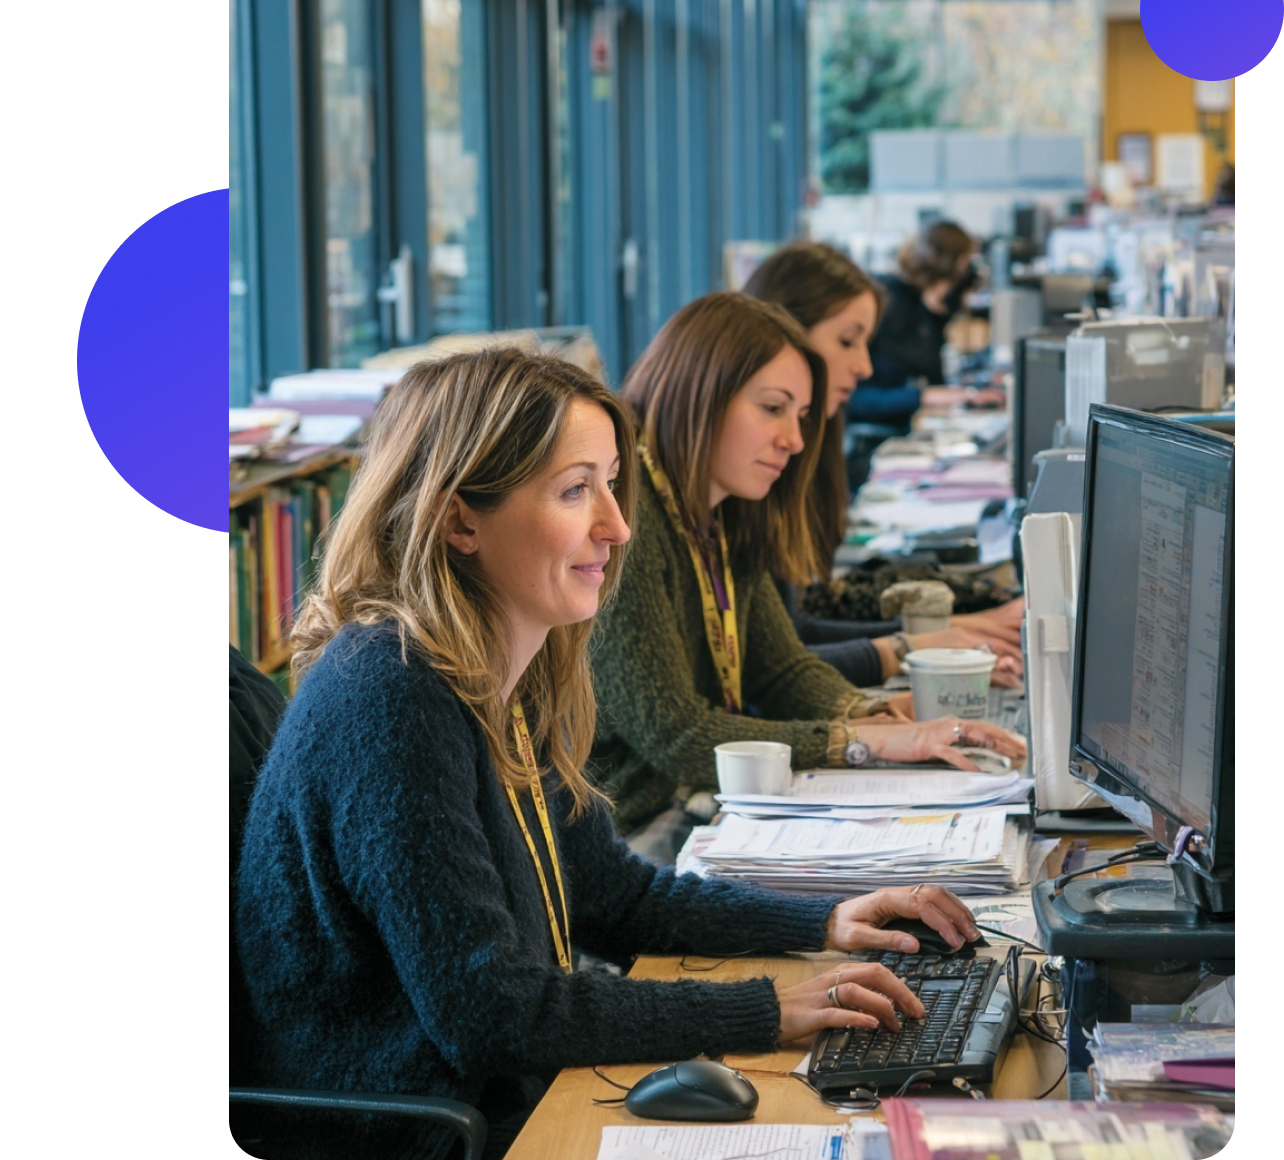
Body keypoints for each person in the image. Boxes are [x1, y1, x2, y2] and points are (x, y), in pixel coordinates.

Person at [234, 347, 983, 1160]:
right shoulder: (391, 695)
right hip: (425, 1132)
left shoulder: (499, 669)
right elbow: (492, 1014)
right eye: (574, 490)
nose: (617, 527)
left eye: (612, 483)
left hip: (505, 1103)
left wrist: (827, 921)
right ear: (460, 520)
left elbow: (609, 894)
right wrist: (764, 1010)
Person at [589, 295, 1025, 851]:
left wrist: (875, 714)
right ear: (700, 394)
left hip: (701, 804)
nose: (795, 441)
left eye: (799, 416)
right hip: (633, 832)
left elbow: (782, 670)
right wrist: (865, 741)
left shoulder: (718, 509)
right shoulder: (631, 519)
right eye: (773, 408)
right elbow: (680, 736)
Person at [742, 239, 1024, 687]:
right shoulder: (750, 473)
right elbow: (772, 664)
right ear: (785, 332)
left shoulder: (812, 443)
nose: (865, 367)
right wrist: (924, 642)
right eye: (848, 342)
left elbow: (796, 624)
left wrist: (955, 628)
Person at [848, 220, 983, 438]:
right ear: (953, 266)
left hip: (905, 426)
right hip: (883, 433)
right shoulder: (892, 305)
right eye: (965, 264)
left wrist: (938, 313)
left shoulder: (915, 305)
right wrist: (923, 396)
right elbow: (858, 399)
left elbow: (932, 370)